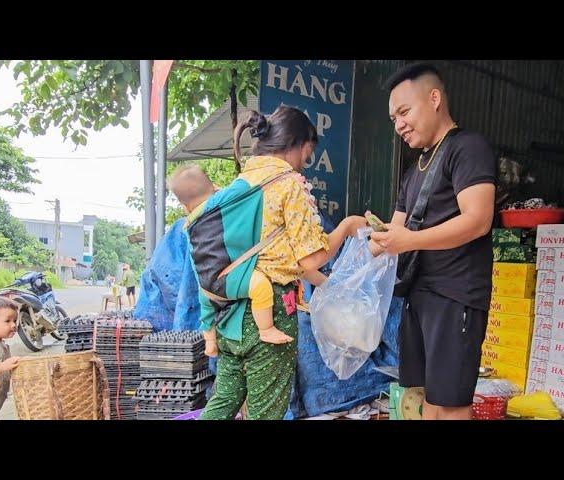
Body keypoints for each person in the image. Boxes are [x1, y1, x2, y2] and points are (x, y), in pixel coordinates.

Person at [180, 105, 367, 419]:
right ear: (297, 142)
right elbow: (313, 258)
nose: (307, 161)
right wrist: (347, 226)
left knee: (223, 401)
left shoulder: (242, 183)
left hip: (229, 311)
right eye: (309, 151)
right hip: (271, 313)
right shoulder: (288, 184)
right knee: (266, 413)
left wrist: (333, 287)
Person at [370, 62, 496, 420]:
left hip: (455, 295)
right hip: (417, 297)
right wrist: (367, 237)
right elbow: (394, 230)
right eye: (394, 118)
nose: (399, 125)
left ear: (435, 98)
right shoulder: (414, 171)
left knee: (451, 405)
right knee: (422, 399)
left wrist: (408, 239)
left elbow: (478, 220)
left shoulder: (467, 148)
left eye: (404, 112)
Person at [168, 164, 325, 357]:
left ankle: (210, 342)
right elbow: (242, 188)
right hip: (228, 279)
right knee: (260, 286)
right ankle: (266, 329)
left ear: (184, 206)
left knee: (206, 312)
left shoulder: (189, 226)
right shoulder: (220, 203)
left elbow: (195, 261)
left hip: (206, 286)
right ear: (215, 189)